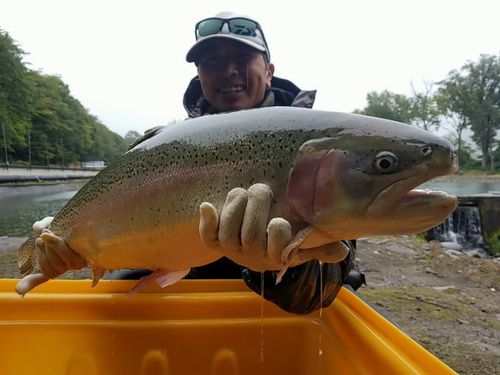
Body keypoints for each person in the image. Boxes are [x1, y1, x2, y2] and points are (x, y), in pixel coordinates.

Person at [22, 12, 360, 314]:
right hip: (187, 272)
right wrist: (75, 249)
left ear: (269, 71)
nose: (228, 71)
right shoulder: (156, 146)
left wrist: (283, 261)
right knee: (118, 297)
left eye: (242, 57)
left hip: (274, 301)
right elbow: (119, 229)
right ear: (199, 77)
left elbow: (319, 293)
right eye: (212, 61)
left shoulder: (318, 147)